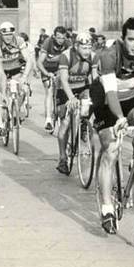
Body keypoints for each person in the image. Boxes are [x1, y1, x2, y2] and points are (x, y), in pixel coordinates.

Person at [90, 17, 134, 234]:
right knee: (111, 150)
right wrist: (119, 118)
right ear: (123, 39)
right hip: (105, 98)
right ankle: (107, 207)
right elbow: (110, 93)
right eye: (131, 39)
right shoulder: (110, 55)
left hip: (131, 95)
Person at [55, 32, 99, 174]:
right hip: (65, 89)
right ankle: (62, 158)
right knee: (65, 123)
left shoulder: (93, 56)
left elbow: (94, 78)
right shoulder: (66, 56)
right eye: (84, 48)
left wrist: (97, 96)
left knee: (88, 106)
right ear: (76, 46)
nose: (87, 51)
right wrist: (71, 98)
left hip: (82, 87)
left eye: (89, 48)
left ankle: (84, 127)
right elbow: (63, 79)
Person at [0, 22, 35, 117]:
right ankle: (1, 119)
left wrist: (24, 77)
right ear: (1, 34)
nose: (8, 37)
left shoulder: (19, 40)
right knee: (0, 92)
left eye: (10, 34)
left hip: (15, 69)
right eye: (5, 35)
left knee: (23, 90)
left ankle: (15, 110)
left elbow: (29, 60)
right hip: (1, 70)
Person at [37, 26, 71, 131]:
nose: (61, 40)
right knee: (50, 90)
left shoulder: (68, 43)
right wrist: (47, 73)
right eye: (58, 37)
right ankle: (48, 119)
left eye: (63, 38)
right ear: (54, 36)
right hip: (47, 68)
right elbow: (39, 62)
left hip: (60, 68)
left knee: (64, 88)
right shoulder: (48, 42)